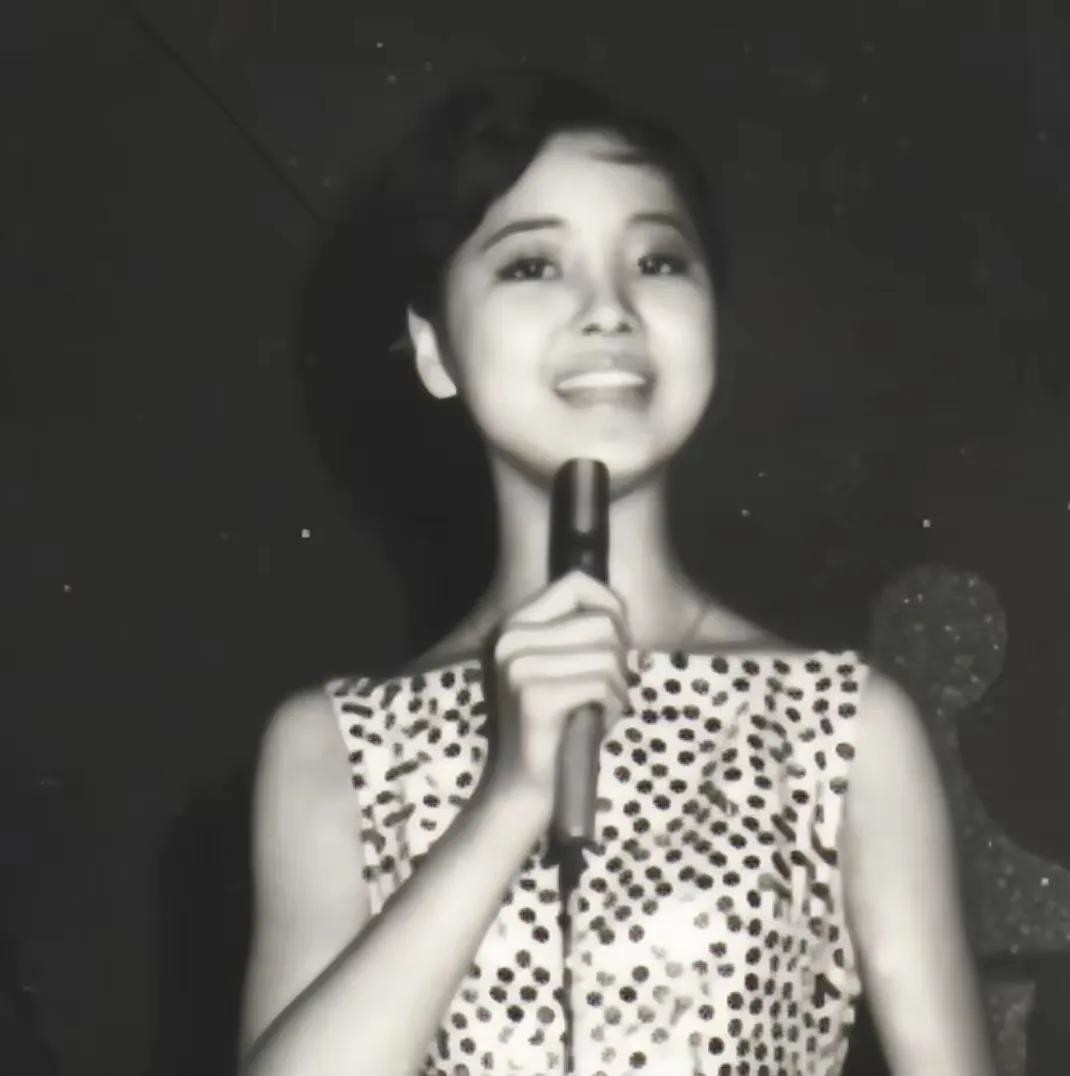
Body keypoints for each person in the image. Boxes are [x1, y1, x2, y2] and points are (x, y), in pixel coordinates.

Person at [237, 64, 994, 1076]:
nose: (608, 309)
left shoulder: (844, 727)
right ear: (433, 349)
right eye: (532, 265)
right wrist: (512, 796)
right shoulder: (334, 745)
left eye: (657, 260)